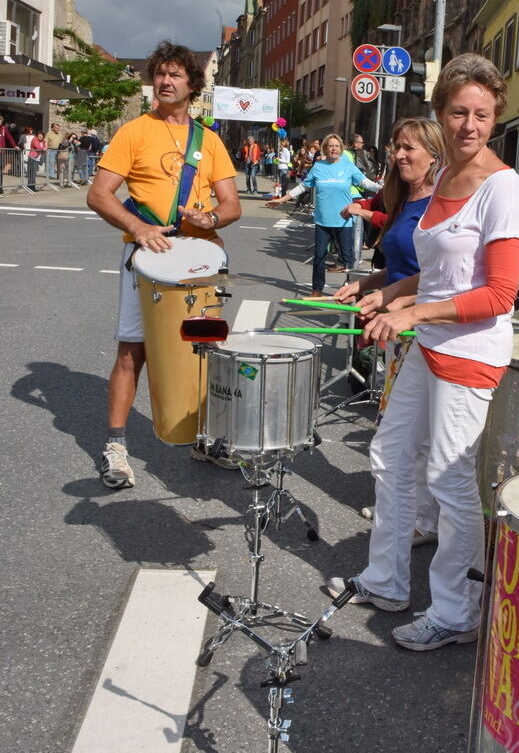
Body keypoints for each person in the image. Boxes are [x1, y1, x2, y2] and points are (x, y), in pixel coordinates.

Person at [326, 53, 519, 651]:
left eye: (482, 114)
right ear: (441, 114)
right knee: (390, 454)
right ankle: (386, 581)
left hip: (470, 350)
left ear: (495, 118)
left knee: (448, 477)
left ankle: (457, 611)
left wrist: (411, 313)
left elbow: (498, 293)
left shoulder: (504, 188)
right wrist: (390, 293)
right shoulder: (443, 180)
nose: (470, 124)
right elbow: (440, 273)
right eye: (459, 112)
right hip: (430, 340)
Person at [87, 40, 241, 489]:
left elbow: (231, 205)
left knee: (204, 348)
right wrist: (138, 228)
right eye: (160, 73)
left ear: (193, 84)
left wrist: (210, 218)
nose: (165, 81)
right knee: (132, 350)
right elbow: (99, 194)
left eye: (175, 74)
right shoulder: (134, 132)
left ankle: (204, 438)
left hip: (198, 259)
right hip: (147, 257)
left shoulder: (209, 140)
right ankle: (116, 448)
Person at [334, 117, 447, 546]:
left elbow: (440, 275)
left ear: (433, 155)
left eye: (409, 148)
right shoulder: (404, 198)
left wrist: (402, 305)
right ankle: (404, 507)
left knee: (413, 433)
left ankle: (423, 519)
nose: (399, 155)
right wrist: (365, 284)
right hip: (396, 327)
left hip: (422, 326)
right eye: (396, 146)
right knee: (398, 429)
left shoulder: (439, 203)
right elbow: (398, 267)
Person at [266, 133, 379, 296]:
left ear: (341, 148)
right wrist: (282, 199)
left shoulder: (348, 166)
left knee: (348, 258)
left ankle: (350, 290)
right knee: (319, 255)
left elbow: (366, 183)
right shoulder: (318, 167)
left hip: (343, 220)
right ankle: (317, 289)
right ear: (325, 148)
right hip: (323, 221)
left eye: (337, 146)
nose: (334, 149)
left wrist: (385, 189)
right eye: (330, 146)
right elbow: (303, 187)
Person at [0, 115, 19, 194]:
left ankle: (0, 188)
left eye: (1, 121)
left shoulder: (4, 129)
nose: (0, 122)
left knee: (0, 171)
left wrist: (14, 146)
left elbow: (10, 138)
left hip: (1, 152)